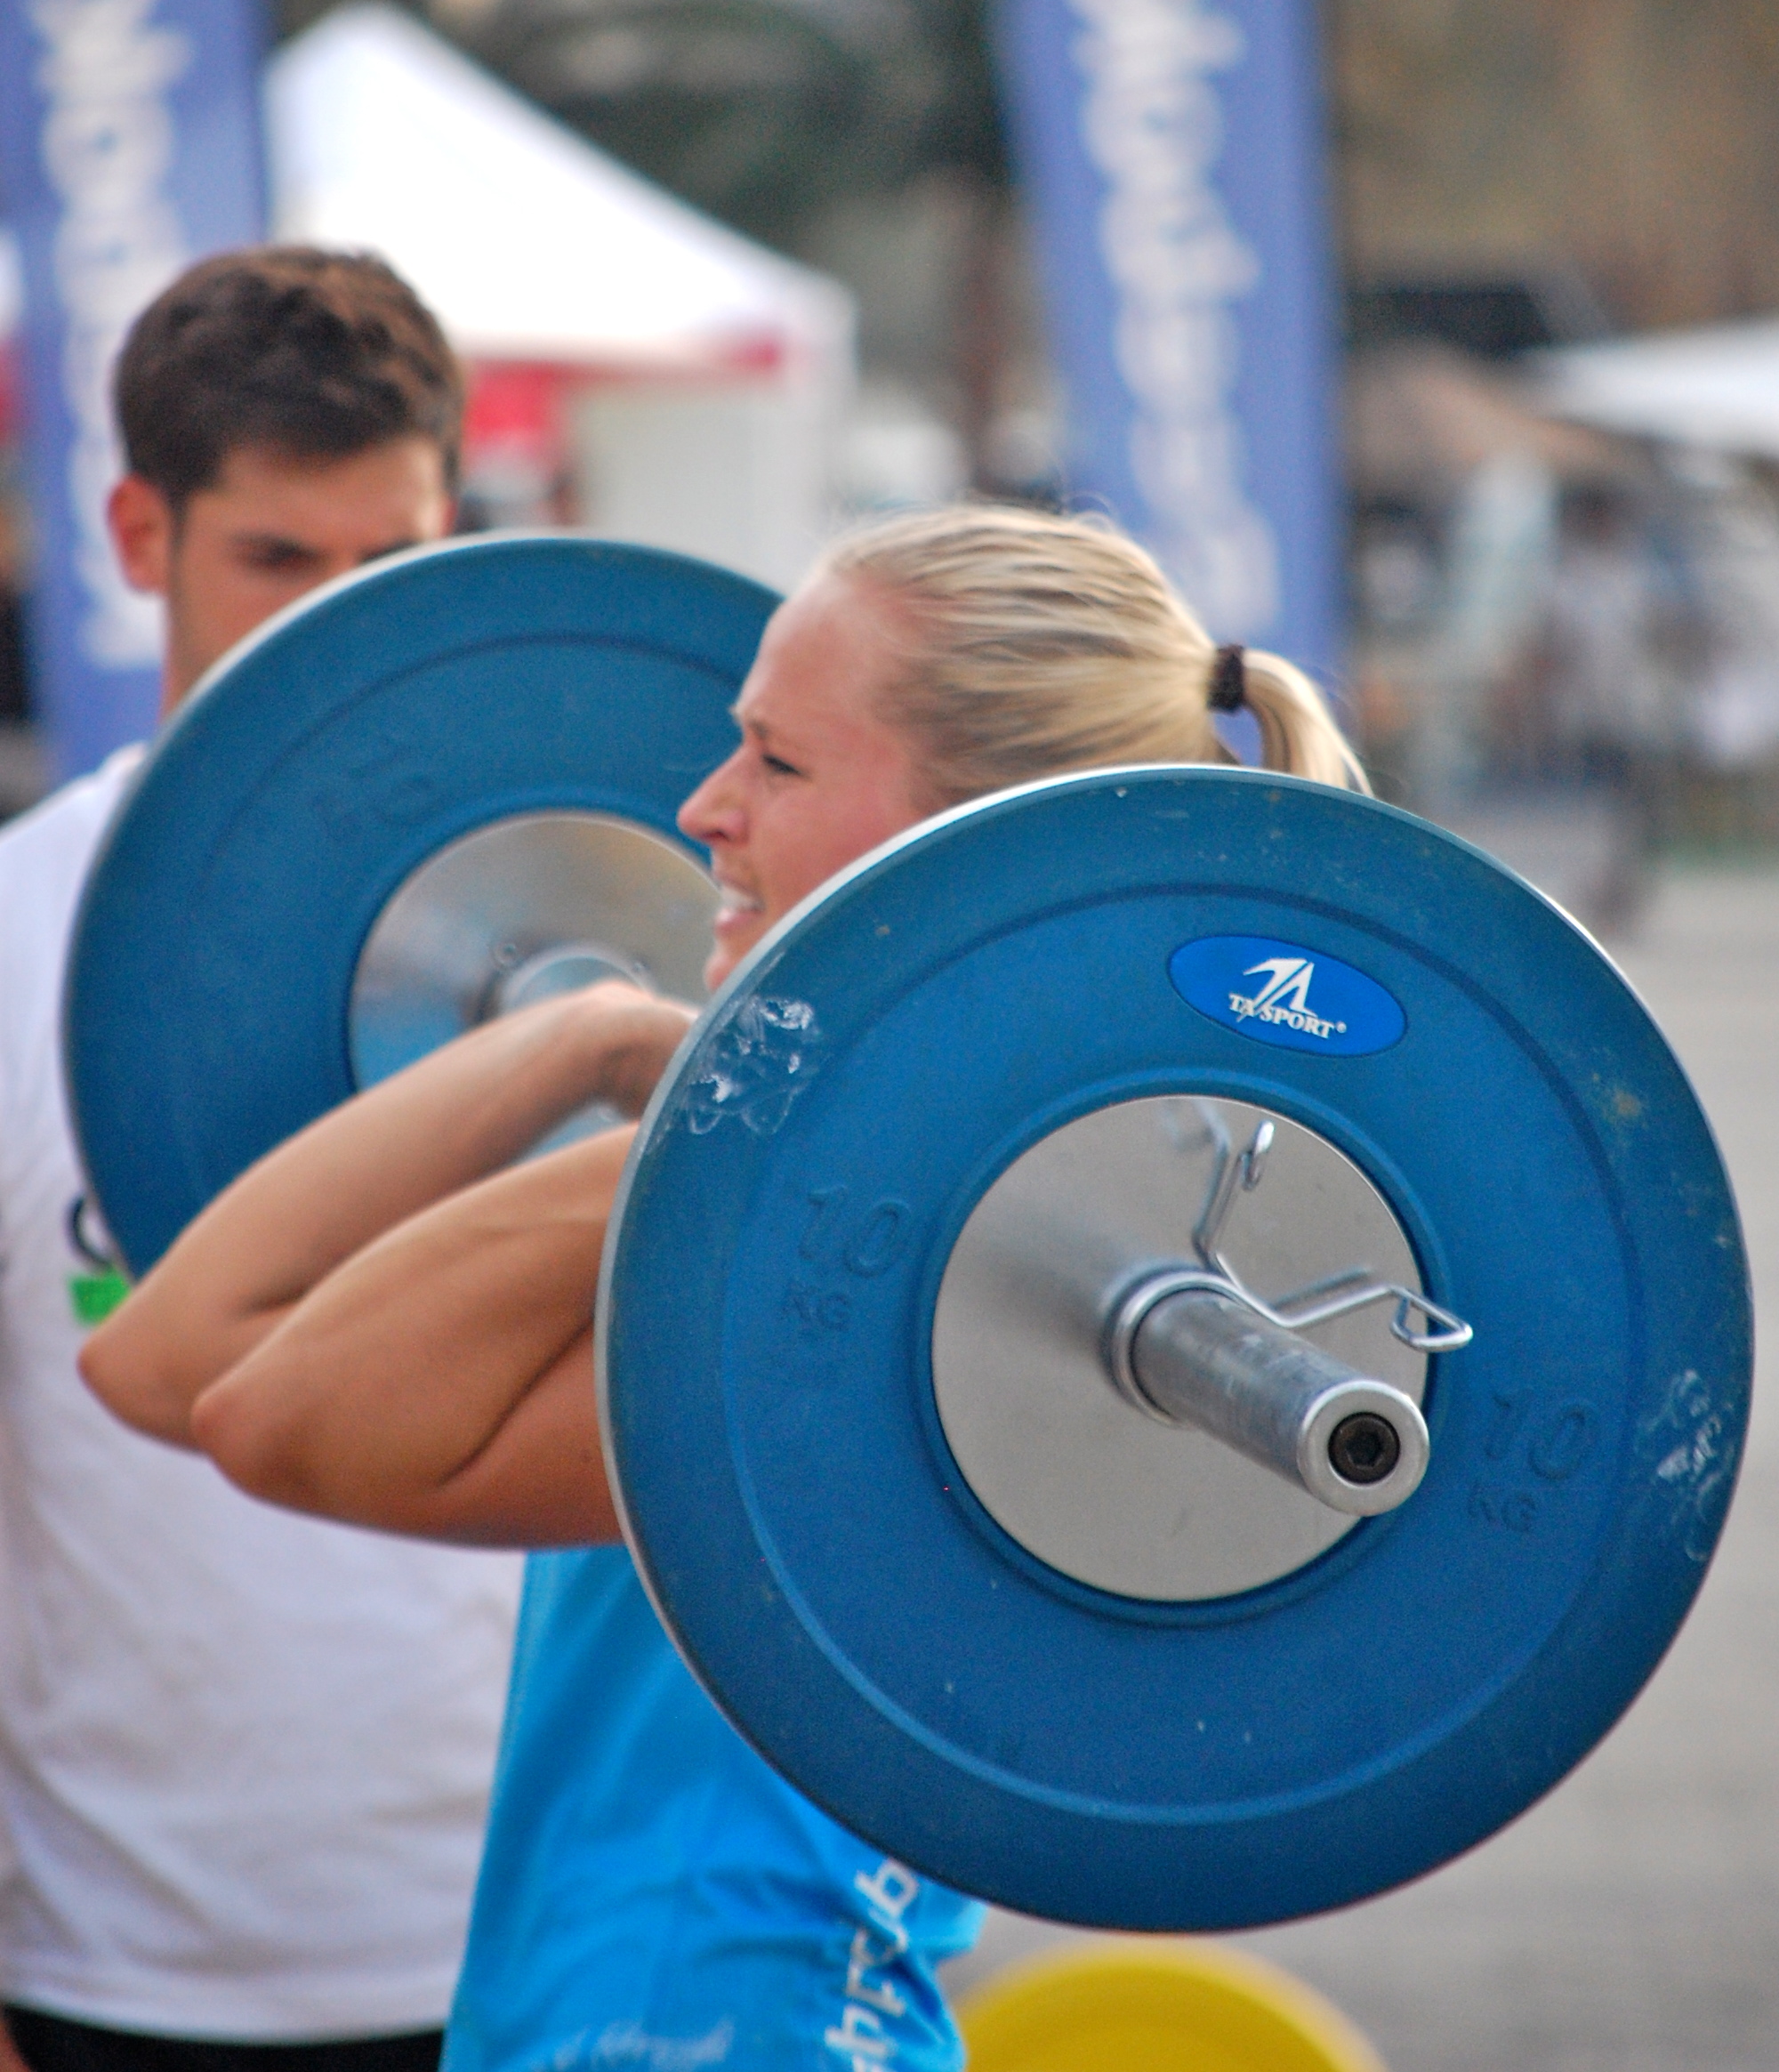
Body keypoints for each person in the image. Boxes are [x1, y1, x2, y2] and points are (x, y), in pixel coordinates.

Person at [82, 504, 1368, 2072]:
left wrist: (702, 1098)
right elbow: (156, 1358)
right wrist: (610, 1042)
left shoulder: (911, 1274)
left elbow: (259, 1407)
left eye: (779, 760)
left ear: (976, 835)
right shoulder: (814, 1194)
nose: (704, 806)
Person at [0, 247, 524, 2071]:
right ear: (141, 535)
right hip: (119, 1979)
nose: (337, 627)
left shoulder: (597, 922)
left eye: (389, 564)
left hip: (530, 1960)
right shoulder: (18, 937)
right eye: (278, 560)